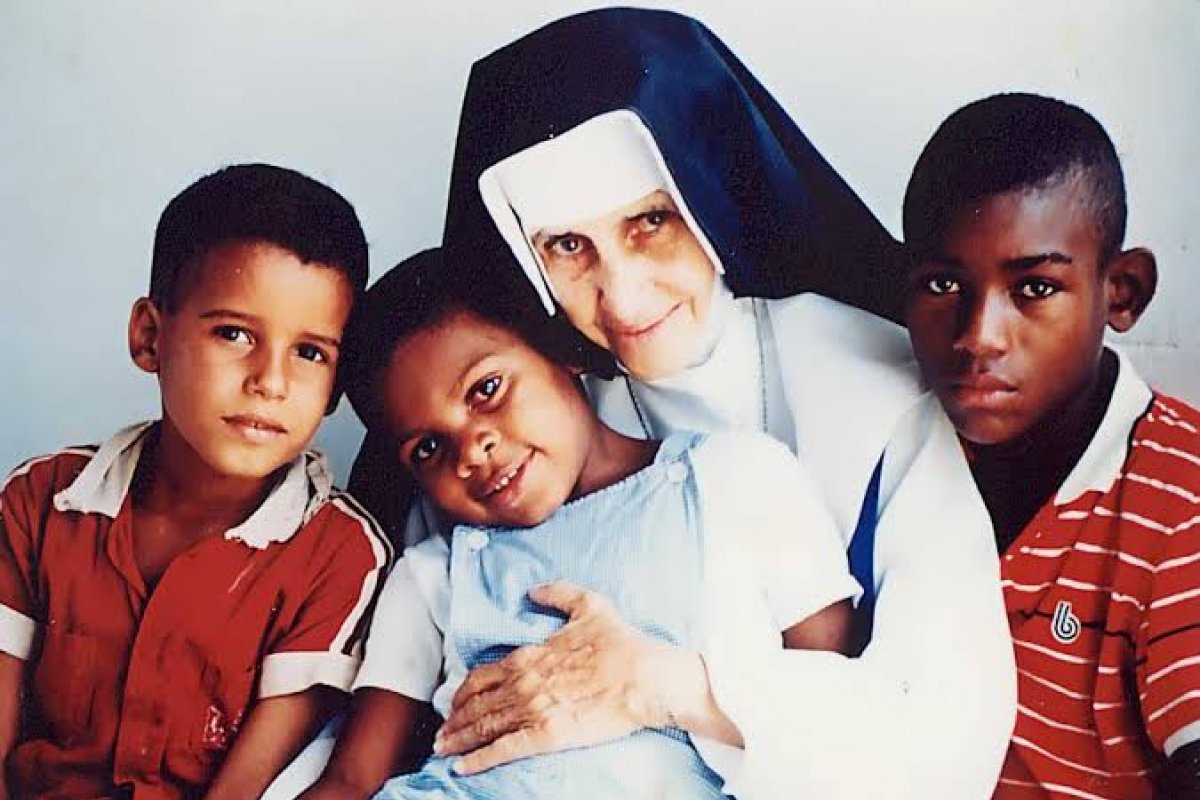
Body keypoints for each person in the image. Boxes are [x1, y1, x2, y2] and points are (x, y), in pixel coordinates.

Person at [351, 8, 1016, 799]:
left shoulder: (876, 391)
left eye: (651, 222)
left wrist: (667, 687)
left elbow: (948, 740)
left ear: (713, 197)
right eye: (566, 246)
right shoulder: (522, 416)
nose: (621, 293)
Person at [284, 250, 858, 799]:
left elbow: (837, 715)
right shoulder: (434, 573)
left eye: (487, 389)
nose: (472, 452)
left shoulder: (738, 475)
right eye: (430, 447)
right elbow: (352, 781)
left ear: (563, 350)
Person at [0, 164, 392, 800]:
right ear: (150, 337)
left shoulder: (341, 555)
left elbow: (242, 790)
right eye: (234, 334)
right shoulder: (41, 501)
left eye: (309, 352)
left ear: (336, 387)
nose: (271, 381)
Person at [903, 92, 1199, 800]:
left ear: (1121, 293)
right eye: (944, 284)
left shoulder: (1180, 502)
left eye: (1034, 287)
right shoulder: (885, 436)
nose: (979, 335)